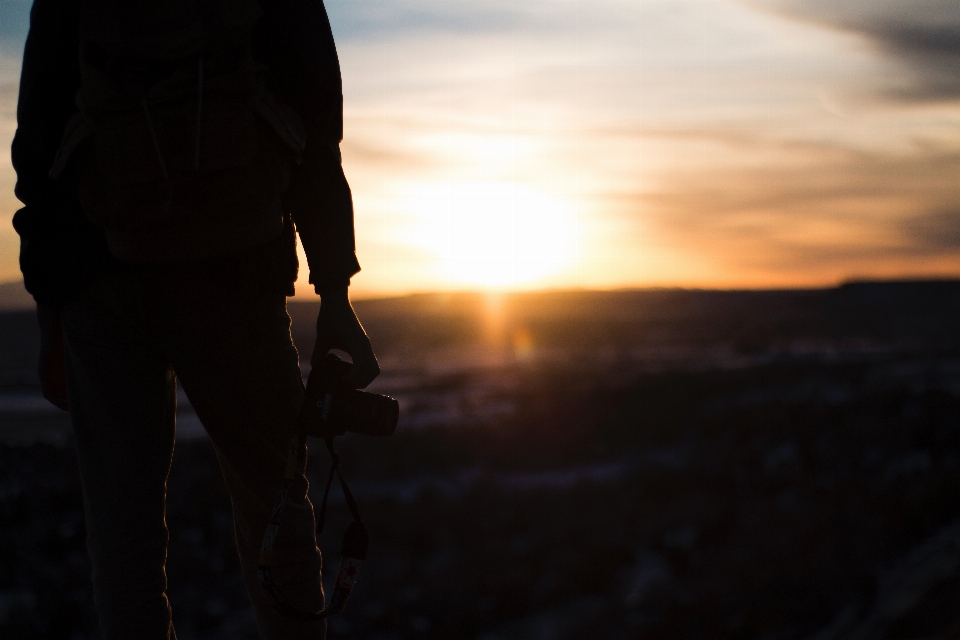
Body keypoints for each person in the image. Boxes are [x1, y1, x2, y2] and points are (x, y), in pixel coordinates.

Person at [11, 0, 379, 638]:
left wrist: (52, 317)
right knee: (277, 507)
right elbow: (318, 135)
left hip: (100, 278)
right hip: (236, 273)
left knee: (122, 531)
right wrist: (336, 295)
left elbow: (39, 151)